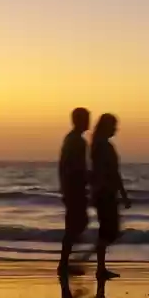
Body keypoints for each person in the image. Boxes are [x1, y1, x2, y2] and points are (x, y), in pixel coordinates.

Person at [90, 113, 131, 280]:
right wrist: (123, 194)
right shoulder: (104, 147)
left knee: (108, 231)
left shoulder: (98, 145)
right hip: (105, 193)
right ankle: (100, 267)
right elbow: (113, 173)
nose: (116, 129)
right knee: (109, 231)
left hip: (103, 192)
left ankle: (100, 266)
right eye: (113, 126)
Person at [57, 107, 91, 277]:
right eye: (87, 118)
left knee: (76, 224)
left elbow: (63, 166)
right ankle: (65, 263)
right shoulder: (77, 141)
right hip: (75, 188)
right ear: (80, 120)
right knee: (76, 225)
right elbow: (76, 167)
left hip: (71, 188)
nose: (89, 122)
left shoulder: (70, 139)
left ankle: (66, 262)